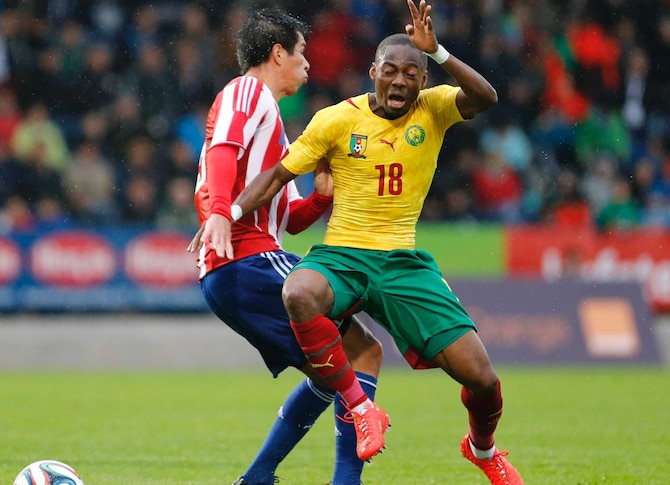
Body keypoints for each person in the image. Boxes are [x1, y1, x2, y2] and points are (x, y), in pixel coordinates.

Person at [193, 1, 524, 483]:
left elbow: (487, 96)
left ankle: (482, 448)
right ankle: (349, 435)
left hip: (402, 264)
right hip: (342, 256)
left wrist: (441, 51)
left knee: (482, 379)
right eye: (389, 71)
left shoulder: (433, 109)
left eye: (412, 73)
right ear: (373, 72)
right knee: (302, 295)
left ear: (423, 81)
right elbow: (271, 176)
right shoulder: (328, 119)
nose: (399, 81)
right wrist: (227, 213)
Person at [189, 9, 389, 485]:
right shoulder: (247, 91)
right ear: (277, 52)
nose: (307, 64)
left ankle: (258, 477)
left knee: (331, 370)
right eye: (301, 53)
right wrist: (220, 210)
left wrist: (320, 196)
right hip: (245, 259)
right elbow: (223, 153)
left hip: (239, 265)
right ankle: (348, 474)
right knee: (362, 351)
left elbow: (289, 221)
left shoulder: (275, 128)